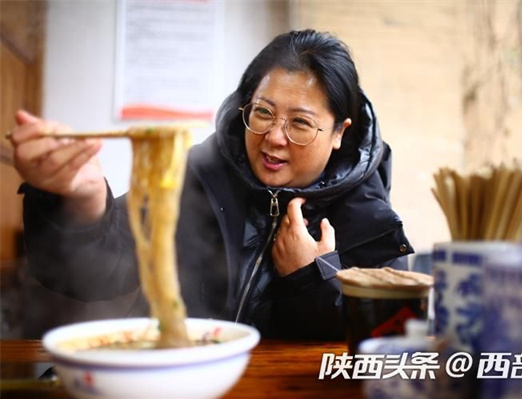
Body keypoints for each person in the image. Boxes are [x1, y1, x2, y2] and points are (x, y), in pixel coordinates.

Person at [10, 29, 413, 340]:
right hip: (172, 377)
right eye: (263, 112)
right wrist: (82, 202)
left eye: (300, 123)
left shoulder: (369, 221)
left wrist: (312, 277)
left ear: (340, 132)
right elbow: (90, 274)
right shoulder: (196, 175)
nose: (274, 137)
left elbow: (385, 343)